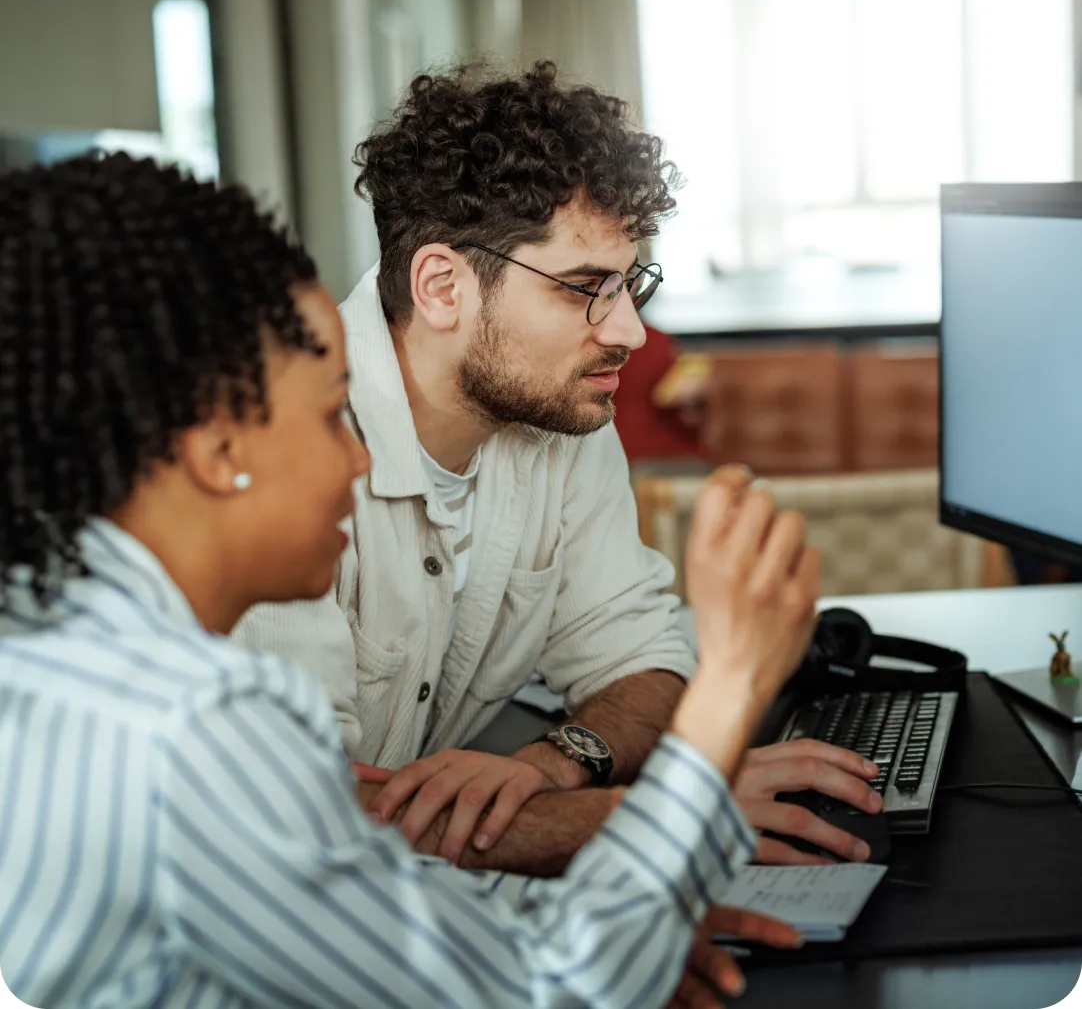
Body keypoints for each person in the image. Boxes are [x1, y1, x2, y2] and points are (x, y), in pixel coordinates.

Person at [0, 151, 811, 1008]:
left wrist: (544, 865)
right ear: (218, 452)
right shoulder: (199, 723)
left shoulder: (58, 648)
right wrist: (730, 688)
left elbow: (325, 899)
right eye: (325, 413)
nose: (356, 454)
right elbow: (561, 992)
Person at [235, 61, 881, 872]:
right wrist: (668, 818)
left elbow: (645, 659)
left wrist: (553, 764)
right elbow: (296, 819)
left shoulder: (559, 416)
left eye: (629, 284)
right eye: (585, 288)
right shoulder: (276, 460)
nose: (632, 334)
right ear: (443, 287)